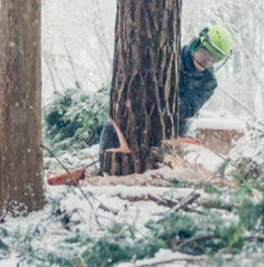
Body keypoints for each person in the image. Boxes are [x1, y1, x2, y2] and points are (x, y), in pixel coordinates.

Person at [98, 25, 234, 171]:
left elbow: (188, 108)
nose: (205, 64)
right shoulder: (171, 56)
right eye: (204, 56)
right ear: (196, 44)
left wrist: (161, 104)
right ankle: (106, 172)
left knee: (163, 158)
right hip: (141, 113)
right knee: (112, 128)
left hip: (173, 125)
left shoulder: (208, 82)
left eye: (213, 61)